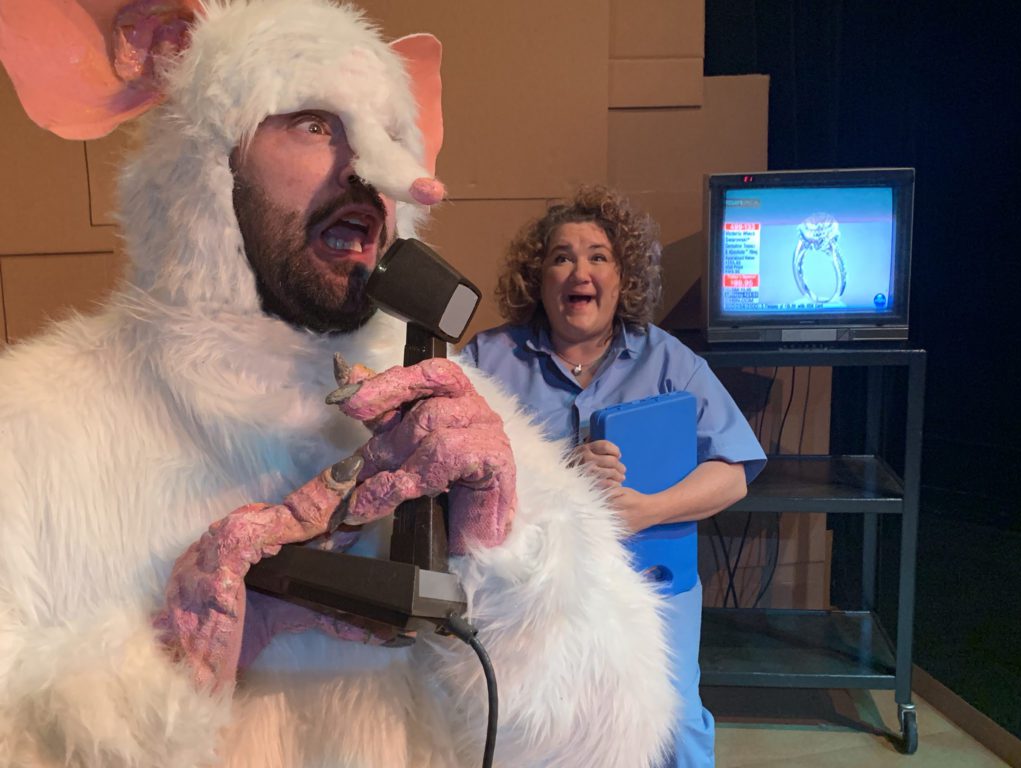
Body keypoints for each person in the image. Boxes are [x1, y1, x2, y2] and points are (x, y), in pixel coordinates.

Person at [0, 2, 677, 766]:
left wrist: (502, 557)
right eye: (316, 122)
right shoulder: (27, 428)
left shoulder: (449, 422)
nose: (368, 170)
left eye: (390, 133)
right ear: (206, 161)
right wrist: (164, 674)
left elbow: (613, 741)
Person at [461, 185, 767, 768]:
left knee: (670, 724)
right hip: (525, 590)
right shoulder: (486, 358)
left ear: (622, 278)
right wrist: (560, 478)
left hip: (652, 583)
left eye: (599, 256)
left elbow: (733, 473)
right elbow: (453, 463)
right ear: (538, 277)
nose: (581, 270)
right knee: (529, 726)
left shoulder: (670, 360)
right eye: (561, 256)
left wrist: (644, 509)